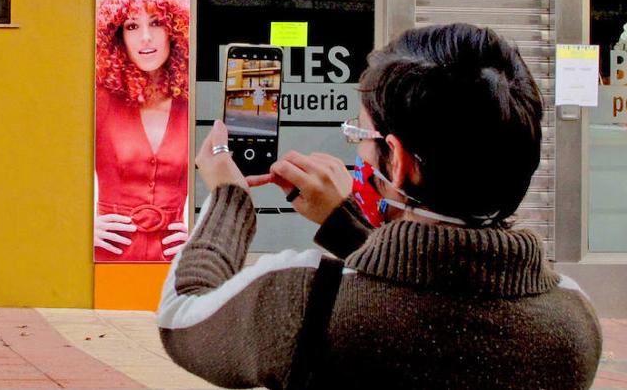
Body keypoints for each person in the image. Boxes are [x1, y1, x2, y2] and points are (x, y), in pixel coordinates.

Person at [158, 23, 602, 390]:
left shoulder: (305, 300)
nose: (359, 154)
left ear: (400, 159)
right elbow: (430, 290)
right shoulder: (573, 322)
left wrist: (226, 198)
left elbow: (183, 316)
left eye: (361, 137)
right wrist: (343, 224)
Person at [94, 0, 191, 262]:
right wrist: (78, 223)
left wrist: (203, 231)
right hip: (107, 258)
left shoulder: (192, 103)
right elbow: (46, 171)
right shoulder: (98, 99)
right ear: (117, 36)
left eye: (157, 23)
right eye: (132, 26)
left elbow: (225, 179)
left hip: (175, 263)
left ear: (174, 29)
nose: (146, 37)